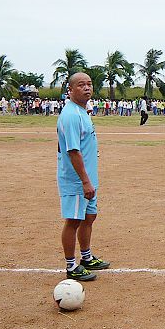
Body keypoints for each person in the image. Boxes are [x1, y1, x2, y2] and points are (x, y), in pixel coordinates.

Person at [56, 72, 110, 282]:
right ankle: (71, 265)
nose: (87, 88)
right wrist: (85, 181)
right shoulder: (71, 115)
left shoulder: (82, 111)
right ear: (70, 90)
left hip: (88, 177)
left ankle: (86, 257)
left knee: (89, 217)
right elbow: (73, 151)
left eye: (89, 84)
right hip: (77, 180)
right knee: (73, 220)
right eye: (81, 85)